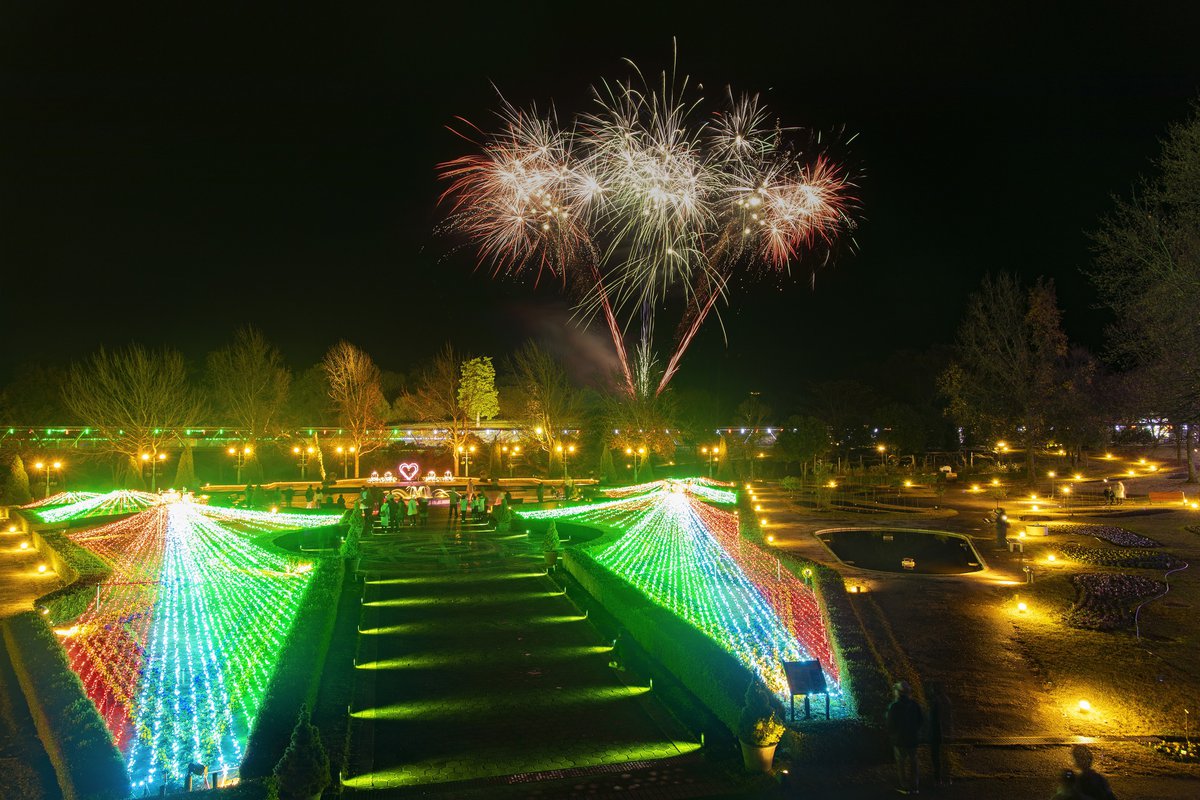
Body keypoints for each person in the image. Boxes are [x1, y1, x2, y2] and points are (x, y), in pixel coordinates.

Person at [886, 681, 923, 794]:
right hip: (913, 739)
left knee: (901, 763)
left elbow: (890, 723)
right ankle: (915, 785)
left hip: (900, 739)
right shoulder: (915, 705)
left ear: (898, 692)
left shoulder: (895, 706)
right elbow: (920, 720)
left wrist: (893, 734)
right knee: (914, 762)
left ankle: (904, 786)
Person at [927, 682, 954, 786]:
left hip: (937, 733)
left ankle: (938, 779)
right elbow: (949, 717)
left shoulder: (936, 701)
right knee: (945, 756)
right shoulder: (946, 700)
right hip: (945, 732)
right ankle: (947, 778)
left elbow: (934, 719)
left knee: (936, 757)